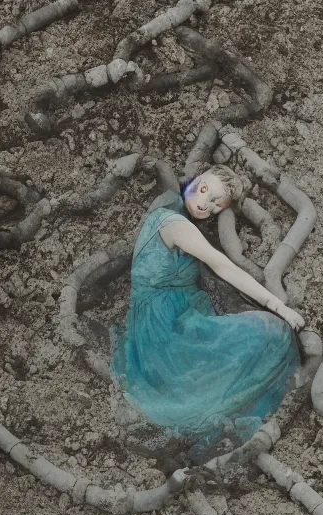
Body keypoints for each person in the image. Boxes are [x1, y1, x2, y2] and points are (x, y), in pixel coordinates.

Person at [109, 165, 305, 461]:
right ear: (195, 178)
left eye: (215, 205)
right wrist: (278, 306)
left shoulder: (175, 213)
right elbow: (222, 265)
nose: (205, 204)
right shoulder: (173, 222)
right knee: (272, 330)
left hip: (164, 318)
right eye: (203, 190)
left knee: (249, 342)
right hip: (165, 331)